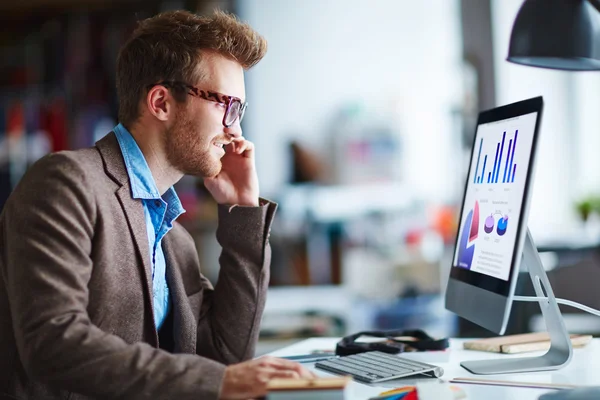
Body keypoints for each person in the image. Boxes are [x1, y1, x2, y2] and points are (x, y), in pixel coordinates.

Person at [0, 10, 313, 400]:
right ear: (162, 102)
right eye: (226, 105)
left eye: (240, 111)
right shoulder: (66, 183)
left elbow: (226, 356)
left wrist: (244, 212)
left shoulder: (173, 237)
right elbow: (53, 342)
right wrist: (220, 381)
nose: (236, 130)